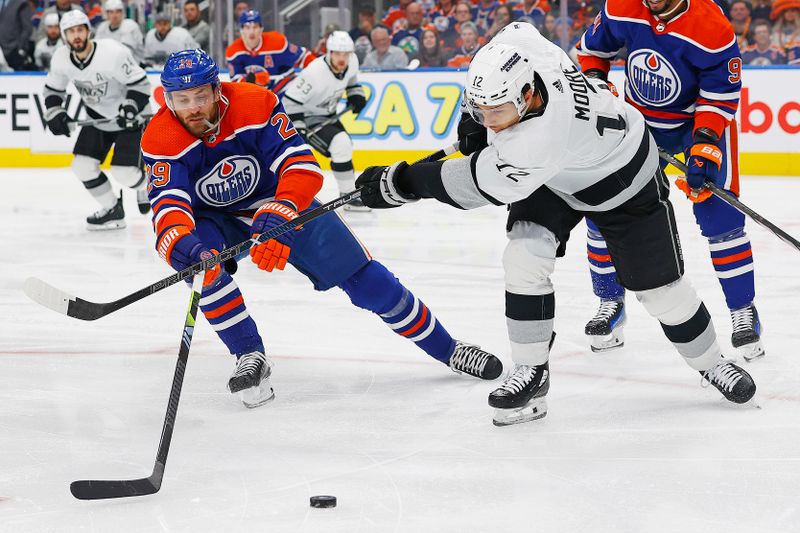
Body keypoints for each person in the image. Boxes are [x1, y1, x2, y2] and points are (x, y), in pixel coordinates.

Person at [355, 22, 758, 426]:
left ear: (527, 95)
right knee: (524, 258)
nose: (489, 120)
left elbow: (470, 184)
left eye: (497, 112)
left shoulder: (535, 144)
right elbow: (512, 31)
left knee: (661, 293)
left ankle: (711, 362)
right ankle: (532, 371)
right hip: (563, 172)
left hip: (622, 178)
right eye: (483, 109)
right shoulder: (527, 53)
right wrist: (473, 121)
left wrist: (400, 184)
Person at [140, 49, 504, 408]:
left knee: (369, 282)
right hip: (213, 218)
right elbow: (169, 207)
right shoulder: (160, 137)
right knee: (201, 268)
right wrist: (184, 248)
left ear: (216, 91)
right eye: (182, 99)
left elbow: (301, 164)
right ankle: (249, 354)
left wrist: (282, 207)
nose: (192, 107)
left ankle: (449, 349)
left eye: (200, 96)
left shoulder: (255, 103)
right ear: (168, 99)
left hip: (280, 200)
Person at [576, 0, 766, 361]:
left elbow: (721, 94)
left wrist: (704, 144)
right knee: (605, 214)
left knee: (722, 223)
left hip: (697, 127)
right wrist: (596, 85)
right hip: (639, 126)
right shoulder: (621, 7)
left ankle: (743, 311)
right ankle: (609, 303)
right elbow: (592, 52)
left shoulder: (713, 26)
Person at [43, 10, 151, 230]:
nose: (77, 36)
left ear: (88, 31)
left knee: (124, 173)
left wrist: (130, 108)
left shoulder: (113, 52)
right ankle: (113, 210)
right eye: (71, 32)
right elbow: (53, 90)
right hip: (98, 118)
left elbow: (140, 84)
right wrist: (55, 112)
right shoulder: (61, 58)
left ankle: (146, 186)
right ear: (64, 36)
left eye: (80, 30)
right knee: (82, 166)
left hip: (130, 118)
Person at [283, 31, 370, 211]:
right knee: (341, 143)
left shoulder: (352, 62)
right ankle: (348, 196)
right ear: (329, 53)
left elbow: (351, 79)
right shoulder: (314, 73)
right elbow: (289, 103)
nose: (342, 59)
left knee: (343, 146)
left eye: (345, 54)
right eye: (337, 54)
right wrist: (298, 130)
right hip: (306, 117)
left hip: (327, 115)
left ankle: (347, 195)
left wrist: (356, 95)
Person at [225, 9, 315, 96]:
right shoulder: (234, 51)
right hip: (259, 95)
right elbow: (236, 83)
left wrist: (319, 71)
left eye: (255, 27)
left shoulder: (277, 42)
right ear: (241, 30)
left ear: (261, 29)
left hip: (284, 88)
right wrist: (253, 79)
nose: (251, 32)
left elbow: (304, 57)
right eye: (247, 27)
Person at [94, 0, 145, 66]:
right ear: (107, 14)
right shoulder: (102, 28)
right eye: (111, 12)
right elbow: (96, 50)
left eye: (118, 12)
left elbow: (126, 52)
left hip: (133, 67)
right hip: (109, 67)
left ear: (122, 13)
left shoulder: (130, 25)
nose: (114, 15)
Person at [0, 0, 34, 71]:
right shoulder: (2, 3)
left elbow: (27, 28)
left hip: (14, 51)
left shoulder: (21, 3)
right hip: (1, 50)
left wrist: (19, 47)